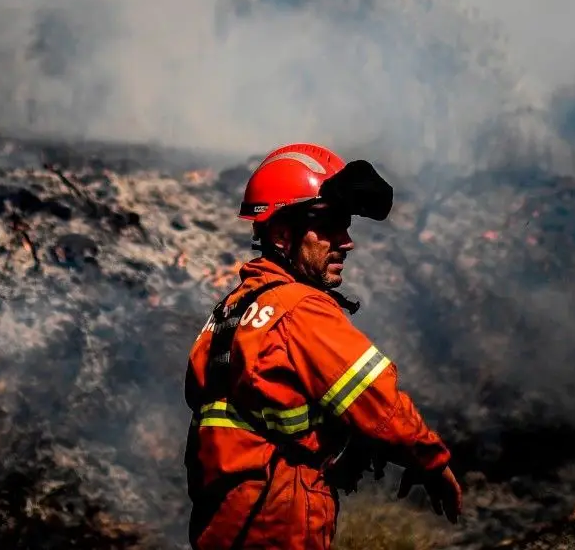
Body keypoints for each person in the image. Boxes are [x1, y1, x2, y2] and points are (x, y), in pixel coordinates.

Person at [184, 143, 462, 550]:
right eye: (329, 225)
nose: (345, 241)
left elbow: (256, 414)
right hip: (279, 516)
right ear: (281, 233)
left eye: (345, 225)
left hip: (226, 521)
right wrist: (432, 461)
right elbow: (376, 400)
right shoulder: (301, 309)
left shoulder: (231, 311)